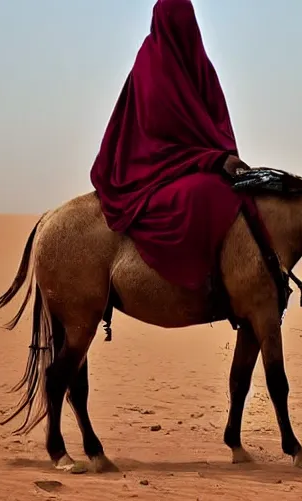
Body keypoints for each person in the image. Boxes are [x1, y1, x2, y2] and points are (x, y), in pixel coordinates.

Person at [90, 0, 250, 290]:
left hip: (190, 163)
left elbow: (217, 122)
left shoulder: (199, 65)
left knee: (239, 195)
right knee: (201, 196)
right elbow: (157, 135)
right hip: (148, 171)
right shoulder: (151, 65)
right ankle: (197, 286)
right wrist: (211, 160)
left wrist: (223, 157)